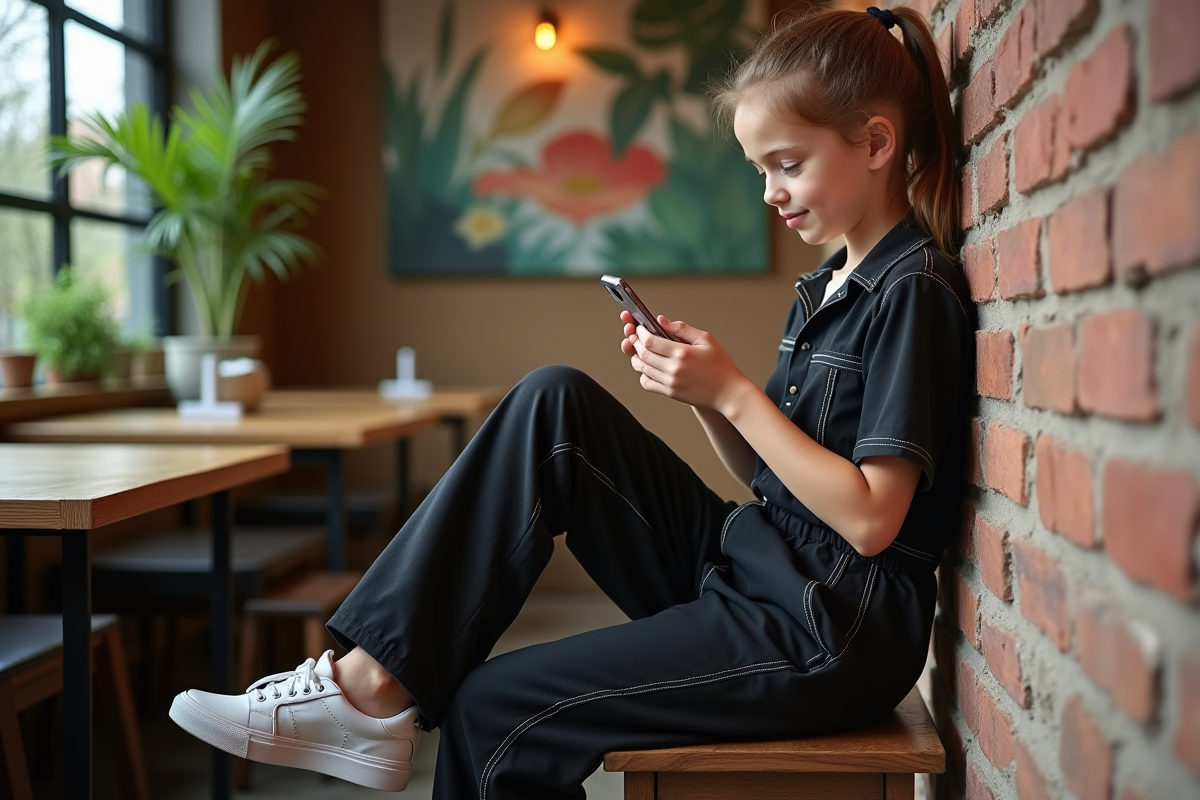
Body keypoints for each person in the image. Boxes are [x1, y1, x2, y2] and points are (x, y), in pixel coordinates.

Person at [169, 5, 973, 797]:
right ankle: (368, 685)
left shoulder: (913, 289)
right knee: (557, 404)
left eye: (787, 164)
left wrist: (733, 390)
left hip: (828, 624)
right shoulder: (824, 284)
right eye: (759, 169)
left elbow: (872, 519)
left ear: (875, 142)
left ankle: (367, 700)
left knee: (493, 712)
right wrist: (702, 394)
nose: (769, 191)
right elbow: (775, 471)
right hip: (758, 560)